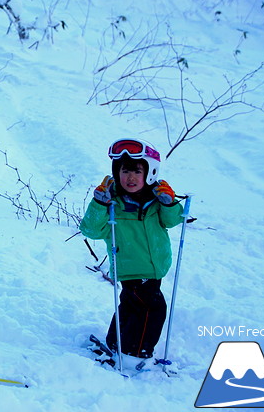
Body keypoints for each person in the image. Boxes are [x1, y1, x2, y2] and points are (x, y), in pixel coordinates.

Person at [79, 138, 184, 366]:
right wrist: (99, 204)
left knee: (130, 305)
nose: (130, 177)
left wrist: (169, 203)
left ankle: (116, 343)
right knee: (152, 309)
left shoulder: (156, 198)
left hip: (155, 267)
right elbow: (90, 229)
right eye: (125, 171)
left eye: (137, 171)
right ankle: (135, 352)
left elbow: (173, 220)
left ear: (150, 172)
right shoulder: (111, 202)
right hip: (131, 267)